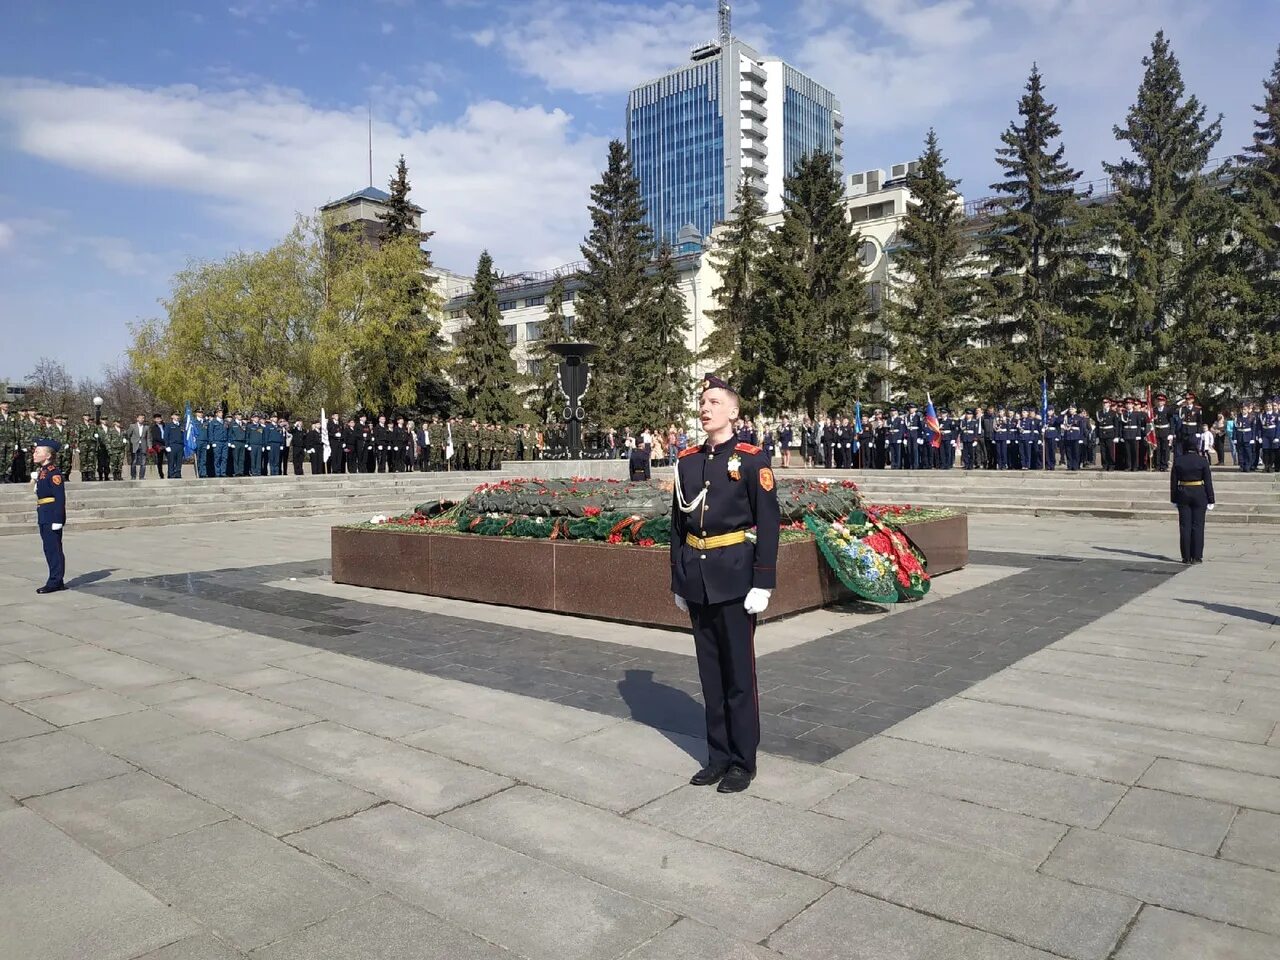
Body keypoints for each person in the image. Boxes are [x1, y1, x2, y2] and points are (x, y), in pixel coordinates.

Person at [671, 374, 780, 794]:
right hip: (699, 578)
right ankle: (717, 756)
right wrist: (678, 580)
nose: (705, 407)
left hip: (736, 579)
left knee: (738, 676)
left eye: (714, 401)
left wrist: (763, 581)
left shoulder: (753, 460)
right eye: (702, 402)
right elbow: (678, 527)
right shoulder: (687, 461)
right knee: (710, 675)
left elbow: (768, 523)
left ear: (733, 411)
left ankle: (742, 759)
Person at [1170, 437, 1214, 564]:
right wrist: (1211, 499)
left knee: (1185, 526)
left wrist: (1173, 498)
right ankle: (1197, 556)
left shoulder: (1178, 461)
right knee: (1198, 525)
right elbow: (1208, 482)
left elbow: (1173, 482)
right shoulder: (1202, 461)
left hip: (1183, 491)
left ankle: (1186, 557)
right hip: (1199, 492)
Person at [32, 437, 67, 594]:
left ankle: (55, 581)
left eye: (38, 451)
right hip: (44, 512)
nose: (34, 453)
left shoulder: (54, 473)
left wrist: (58, 519)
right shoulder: (43, 472)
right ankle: (56, 579)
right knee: (49, 548)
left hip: (51, 514)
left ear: (47, 456)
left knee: (53, 549)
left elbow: (60, 498)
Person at [128, 413, 149, 480]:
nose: (141, 419)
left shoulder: (146, 427)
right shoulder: (132, 426)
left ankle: (141, 476)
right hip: (135, 445)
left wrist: (150, 446)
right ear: (137, 419)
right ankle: (133, 476)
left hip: (143, 445)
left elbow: (148, 438)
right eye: (140, 418)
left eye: (143, 418)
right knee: (134, 462)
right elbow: (128, 435)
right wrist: (130, 443)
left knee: (143, 462)